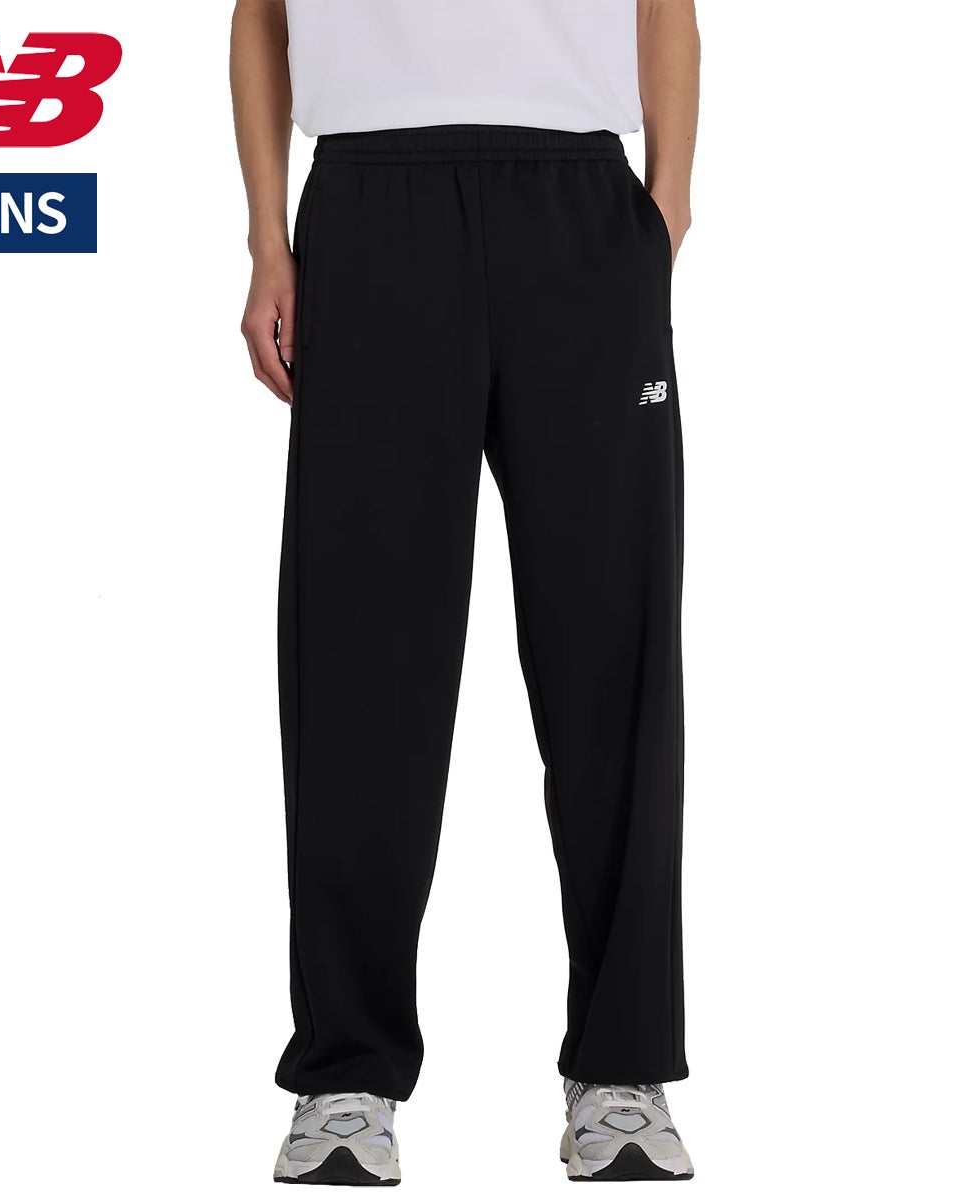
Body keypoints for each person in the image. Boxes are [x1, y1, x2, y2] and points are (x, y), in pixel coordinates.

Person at [231, 0, 700, 1184]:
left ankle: (623, 1068)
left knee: (614, 652)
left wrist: (664, 212)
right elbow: (259, 15)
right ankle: (346, 1074)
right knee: (358, 661)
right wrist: (268, 243)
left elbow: (665, 7)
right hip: (371, 206)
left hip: (580, 208)